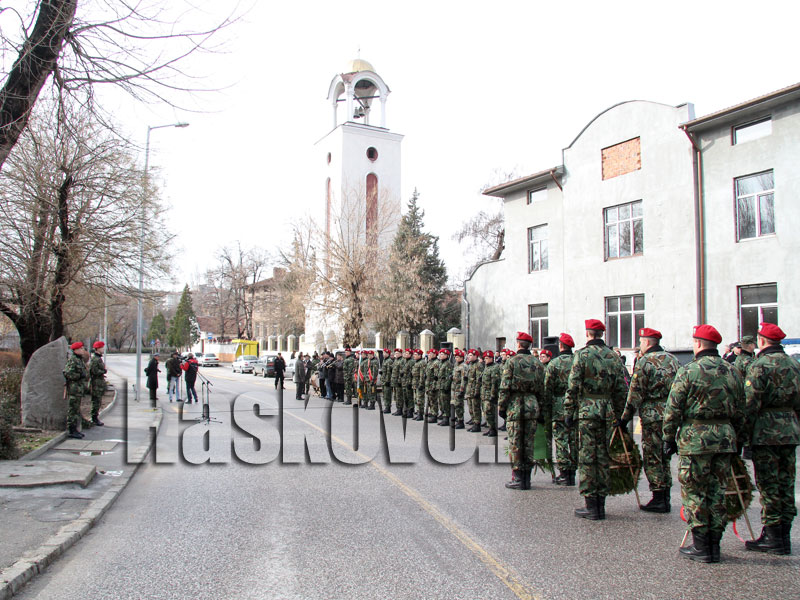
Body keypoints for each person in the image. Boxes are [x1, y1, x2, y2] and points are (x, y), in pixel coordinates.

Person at [663, 324, 745, 563]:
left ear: (697, 343)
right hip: (724, 438)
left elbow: (673, 408)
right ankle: (714, 545)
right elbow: (741, 409)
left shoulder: (689, 371)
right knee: (718, 491)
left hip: (696, 439)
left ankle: (701, 546)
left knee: (695, 491)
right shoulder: (732, 371)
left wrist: (668, 438)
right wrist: (738, 437)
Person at [743, 323, 800, 556]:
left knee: (768, 484)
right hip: (789, 430)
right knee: (786, 483)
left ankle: (772, 536)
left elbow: (750, 404)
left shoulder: (759, 365)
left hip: (765, 432)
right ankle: (784, 536)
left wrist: (743, 437)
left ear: (762, 340)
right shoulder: (794, 365)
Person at [564, 319, 628, 521]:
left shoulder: (582, 355)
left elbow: (573, 386)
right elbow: (621, 389)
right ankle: (601, 504)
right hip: (607, 411)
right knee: (603, 457)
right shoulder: (613, 356)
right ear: (601, 334)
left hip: (588, 411)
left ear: (588, 333)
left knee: (587, 457)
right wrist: (621, 416)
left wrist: (569, 411)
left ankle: (591, 504)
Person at [617, 327, 680, 513]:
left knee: (653, 456)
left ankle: (659, 497)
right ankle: (665, 495)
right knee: (664, 454)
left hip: (652, 415)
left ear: (646, 342)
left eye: (641, 341)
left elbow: (635, 393)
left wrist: (624, 418)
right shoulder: (673, 360)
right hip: (669, 413)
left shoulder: (644, 362)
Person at [499, 332, 545, 490]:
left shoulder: (511, 362)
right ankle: (527, 479)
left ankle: (518, 478)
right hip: (532, 405)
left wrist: (502, 407)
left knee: (516, 442)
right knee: (529, 442)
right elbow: (541, 389)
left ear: (518, 344)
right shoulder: (538, 364)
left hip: (515, 405)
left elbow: (505, 387)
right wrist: (541, 409)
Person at [545, 333, 577, 486]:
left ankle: (564, 472)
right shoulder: (578, 361)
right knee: (574, 440)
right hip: (576, 405)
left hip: (559, 405)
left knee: (561, 440)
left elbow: (547, 388)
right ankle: (573, 472)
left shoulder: (554, 364)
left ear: (561, 346)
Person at [63, 341, 90, 439]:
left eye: (83, 348)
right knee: (72, 410)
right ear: (76, 350)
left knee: (76, 409)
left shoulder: (79, 360)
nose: (83, 350)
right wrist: (79, 375)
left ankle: (75, 429)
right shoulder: (73, 360)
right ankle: (71, 429)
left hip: (78, 389)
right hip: (74, 389)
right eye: (81, 348)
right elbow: (67, 373)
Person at [480, 350, 501, 437]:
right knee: (485, 411)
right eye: (484, 358)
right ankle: (490, 427)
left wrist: (493, 394)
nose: (485, 360)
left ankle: (493, 429)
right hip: (484, 393)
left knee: (490, 411)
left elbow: (494, 382)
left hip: (490, 393)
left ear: (492, 358)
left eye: (487, 358)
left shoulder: (495, 368)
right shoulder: (486, 367)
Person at [88, 341, 107, 426]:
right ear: (98, 349)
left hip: (99, 383)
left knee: (98, 401)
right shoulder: (95, 359)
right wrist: (103, 371)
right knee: (96, 401)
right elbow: (93, 370)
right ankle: (94, 418)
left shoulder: (98, 358)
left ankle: (95, 417)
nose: (103, 349)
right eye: (102, 347)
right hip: (96, 383)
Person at [465, 349, 484, 432]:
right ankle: (473, 422)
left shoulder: (478, 365)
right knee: (470, 407)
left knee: (476, 408)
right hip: (469, 389)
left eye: (471, 355)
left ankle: (477, 424)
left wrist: (477, 391)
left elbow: (478, 380)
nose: (469, 357)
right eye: (468, 355)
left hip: (474, 390)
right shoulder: (470, 365)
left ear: (476, 356)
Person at [450, 349, 468, 429]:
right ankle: (458, 418)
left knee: (459, 405)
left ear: (462, 357)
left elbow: (463, 379)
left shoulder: (463, 366)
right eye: (455, 357)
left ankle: (461, 421)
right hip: (454, 388)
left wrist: (461, 390)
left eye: (457, 357)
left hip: (459, 388)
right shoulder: (456, 365)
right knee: (455, 404)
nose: (456, 358)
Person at [425, 349, 440, 423]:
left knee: (433, 400)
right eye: (428, 354)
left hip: (432, 385)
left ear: (434, 354)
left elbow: (436, 376)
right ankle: (432, 412)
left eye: (430, 354)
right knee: (430, 400)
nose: (429, 355)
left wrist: (434, 386)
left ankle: (434, 415)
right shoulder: (430, 362)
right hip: (428, 384)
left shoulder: (436, 363)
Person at [411, 349, 426, 420]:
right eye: (414, 354)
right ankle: (418, 412)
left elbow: (422, 375)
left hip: (419, 384)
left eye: (415, 354)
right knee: (416, 399)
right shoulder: (416, 362)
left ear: (420, 355)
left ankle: (420, 414)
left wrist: (421, 384)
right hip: (415, 383)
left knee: (420, 400)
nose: (414, 356)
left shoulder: (422, 362)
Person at [381, 348, 395, 414]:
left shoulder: (389, 361)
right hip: (383, 380)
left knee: (387, 394)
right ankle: (386, 406)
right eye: (383, 353)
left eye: (385, 353)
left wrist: (388, 380)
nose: (384, 354)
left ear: (388, 354)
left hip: (387, 380)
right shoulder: (384, 360)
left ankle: (388, 407)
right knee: (384, 394)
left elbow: (389, 372)